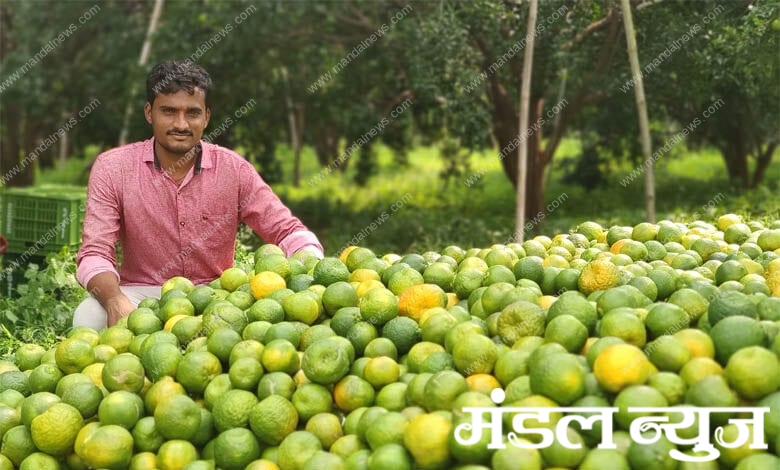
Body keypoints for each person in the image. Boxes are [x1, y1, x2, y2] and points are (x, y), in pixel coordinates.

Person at [73, 60, 323, 330]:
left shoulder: (233, 169)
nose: (180, 124)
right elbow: (94, 253)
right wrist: (114, 300)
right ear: (149, 113)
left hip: (216, 298)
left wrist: (315, 272)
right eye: (168, 111)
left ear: (206, 117)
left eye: (192, 113)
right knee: (89, 314)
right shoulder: (114, 168)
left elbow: (287, 231)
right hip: (143, 296)